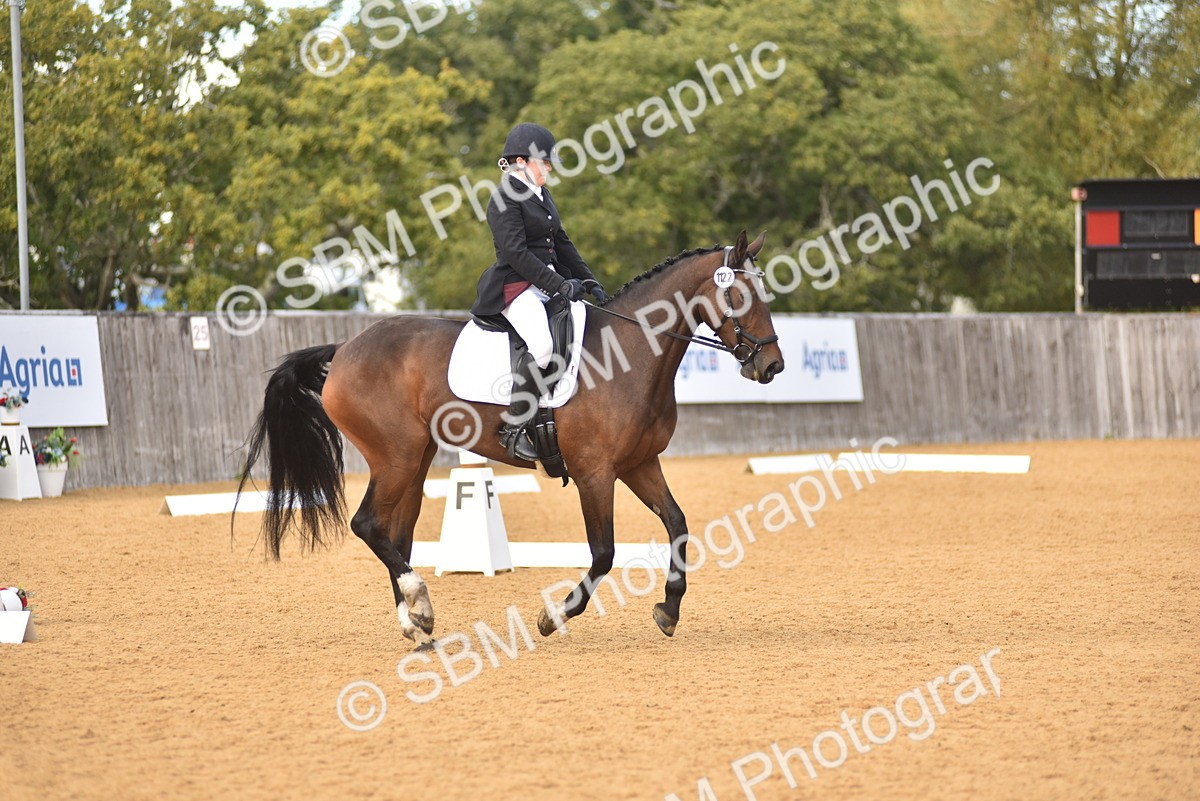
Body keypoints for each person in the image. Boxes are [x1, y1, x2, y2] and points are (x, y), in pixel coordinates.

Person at [470, 122, 610, 461]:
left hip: (545, 284)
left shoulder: (541, 194)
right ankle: (514, 427)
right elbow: (517, 254)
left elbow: (561, 243)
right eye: (543, 162)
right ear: (522, 161)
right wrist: (560, 285)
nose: (548, 168)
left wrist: (589, 280)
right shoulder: (504, 198)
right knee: (544, 346)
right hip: (515, 287)